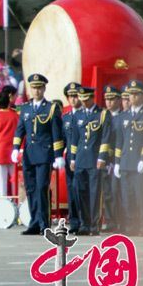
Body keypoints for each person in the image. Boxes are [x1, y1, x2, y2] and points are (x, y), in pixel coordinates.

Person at [11, 74, 64, 235]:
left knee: (42, 188)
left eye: (39, 87)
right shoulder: (25, 108)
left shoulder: (51, 108)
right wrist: (15, 147)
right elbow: (20, 129)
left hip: (44, 153)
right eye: (34, 87)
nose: (36, 90)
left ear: (44, 89)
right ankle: (34, 223)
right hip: (29, 154)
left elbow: (56, 132)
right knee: (31, 188)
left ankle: (44, 223)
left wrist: (58, 155)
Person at [114, 80, 143, 236]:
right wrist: (117, 162)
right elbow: (120, 140)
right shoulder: (124, 116)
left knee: (141, 197)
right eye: (130, 94)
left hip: (139, 162)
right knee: (127, 198)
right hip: (125, 162)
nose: (132, 97)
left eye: (136, 94)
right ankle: (130, 227)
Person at [69, 86, 112, 236]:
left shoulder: (102, 113)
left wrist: (102, 157)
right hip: (81, 158)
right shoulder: (78, 114)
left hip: (94, 158)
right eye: (82, 100)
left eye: (86, 100)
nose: (84, 103)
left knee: (95, 193)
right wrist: (73, 158)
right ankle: (84, 224)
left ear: (92, 98)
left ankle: (94, 225)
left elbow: (106, 137)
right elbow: (74, 138)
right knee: (81, 193)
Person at [100, 85, 122, 232]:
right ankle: (110, 221)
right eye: (107, 99)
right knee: (107, 193)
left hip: (118, 160)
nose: (109, 102)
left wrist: (115, 162)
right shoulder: (102, 116)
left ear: (119, 100)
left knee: (119, 193)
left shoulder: (123, 116)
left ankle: (121, 222)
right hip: (105, 160)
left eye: (112, 98)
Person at [61, 82, 82, 233]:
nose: (73, 99)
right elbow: (63, 138)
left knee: (83, 190)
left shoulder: (86, 115)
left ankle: (86, 220)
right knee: (71, 190)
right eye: (70, 97)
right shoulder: (66, 117)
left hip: (83, 157)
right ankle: (74, 221)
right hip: (69, 158)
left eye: (75, 96)